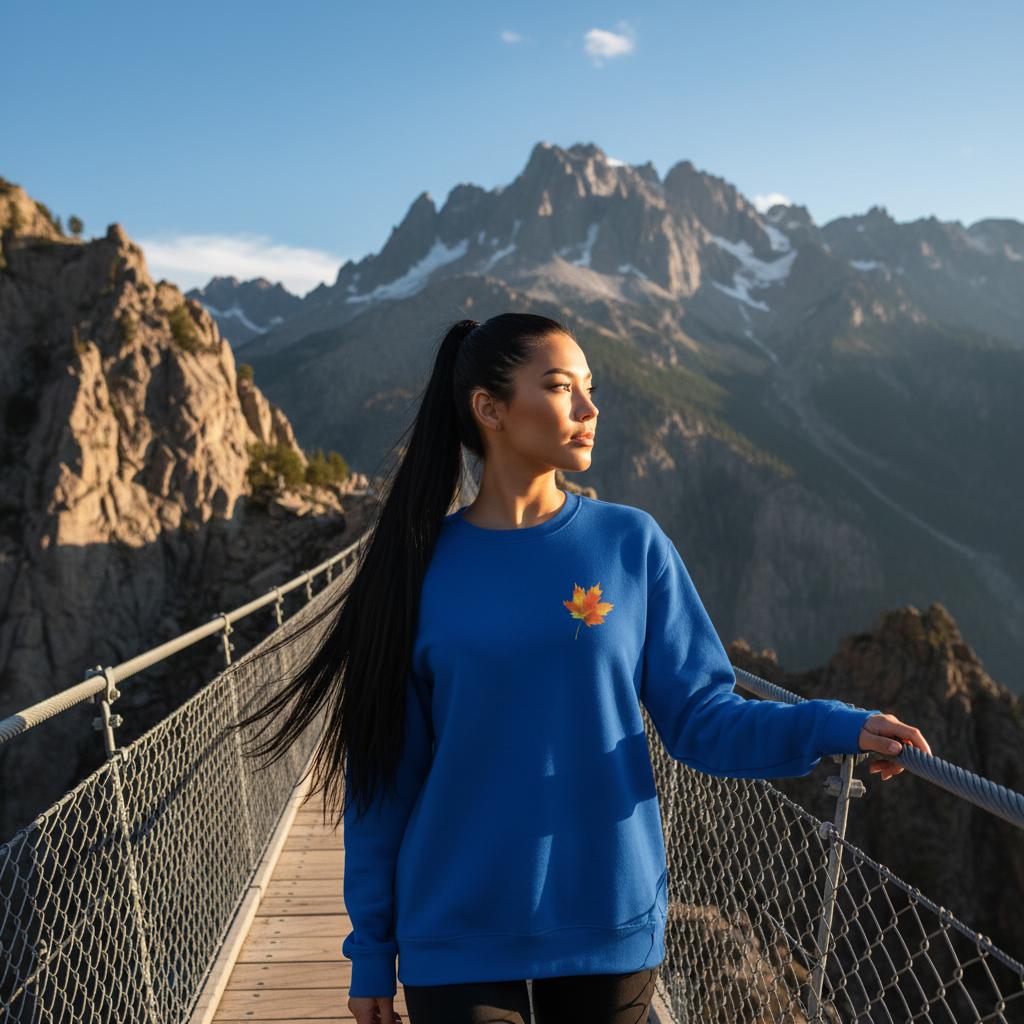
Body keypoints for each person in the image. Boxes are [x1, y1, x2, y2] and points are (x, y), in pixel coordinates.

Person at [232, 313, 932, 1024]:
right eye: (564, 388)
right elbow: (384, 779)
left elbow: (703, 719)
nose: (591, 410)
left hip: (609, 925)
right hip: (456, 929)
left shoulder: (633, 544)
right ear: (491, 409)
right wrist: (371, 953)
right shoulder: (414, 567)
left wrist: (837, 726)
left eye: (590, 388)